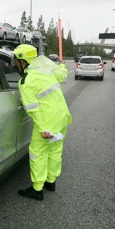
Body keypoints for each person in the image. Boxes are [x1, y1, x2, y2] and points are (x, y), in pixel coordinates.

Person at [13, 44, 72, 201]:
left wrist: (42, 129)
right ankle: (51, 182)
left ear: (23, 61)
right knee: (55, 150)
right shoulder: (46, 70)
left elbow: (32, 109)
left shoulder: (26, 82)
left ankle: (37, 189)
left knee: (37, 153)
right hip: (62, 117)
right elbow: (62, 75)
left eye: (15, 61)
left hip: (47, 121)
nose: (13, 65)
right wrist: (62, 65)